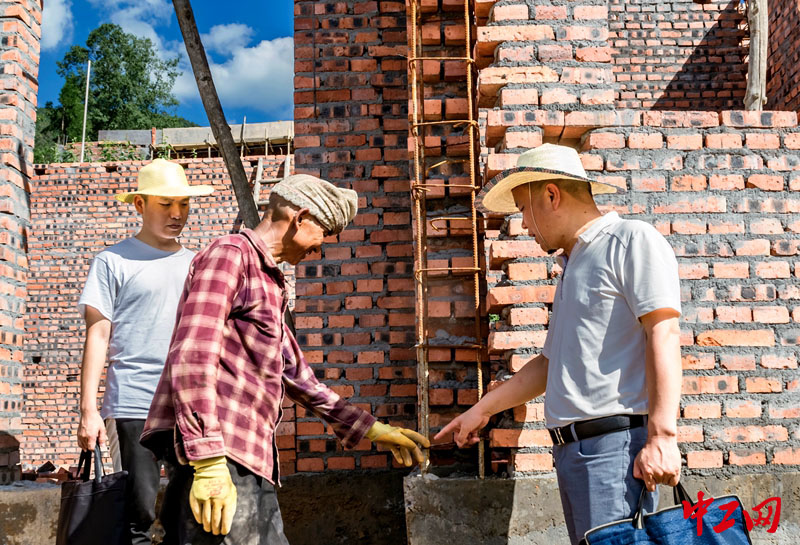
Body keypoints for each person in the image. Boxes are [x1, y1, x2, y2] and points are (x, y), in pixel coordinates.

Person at [140, 173, 430, 544]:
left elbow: (299, 378)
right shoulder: (231, 254)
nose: (320, 248)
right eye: (324, 232)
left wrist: (372, 429)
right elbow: (193, 354)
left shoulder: (268, 282)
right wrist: (209, 462)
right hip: (219, 454)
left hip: (245, 457)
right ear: (301, 218)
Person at [436, 144, 682, 545]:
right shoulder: (574, 263)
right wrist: (481, 410)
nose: (523, 225)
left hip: (614, 451)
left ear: (551, 195)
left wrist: (662, 438)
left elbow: (664, 332)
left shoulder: (630, 240)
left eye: (523, 209)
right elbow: (550, 365)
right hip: (575, 454)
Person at [76, 158, 214, 545]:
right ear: (139, 204)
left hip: (187, 404)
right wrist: (89, 412)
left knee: (189, 515)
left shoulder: (198, 264)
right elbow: (97, 336)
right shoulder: (112, 261)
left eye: (183, 204)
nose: (177, 214)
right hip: (133, 403)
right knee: (136, 517)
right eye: (165, 204)